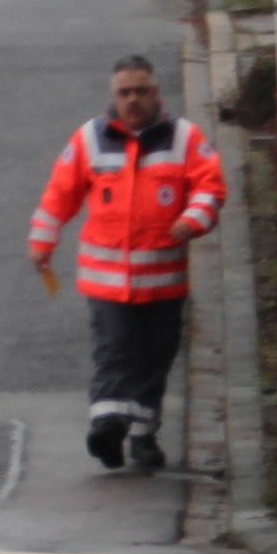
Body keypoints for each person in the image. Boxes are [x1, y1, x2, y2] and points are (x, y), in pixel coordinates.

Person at [30, 54, 224, 470]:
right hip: (107, 283)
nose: (133, 100)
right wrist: (42, 240)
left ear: (156, 92)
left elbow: (210, 187)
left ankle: (142, 434)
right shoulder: (90, 139)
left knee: (155, 359)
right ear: (113, 96)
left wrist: (193, 220)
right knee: (115, 352)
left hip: (163, 284)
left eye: (141, 91)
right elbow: (59, 194)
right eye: (124, 93)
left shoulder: (184, 139)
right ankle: (107, 427)